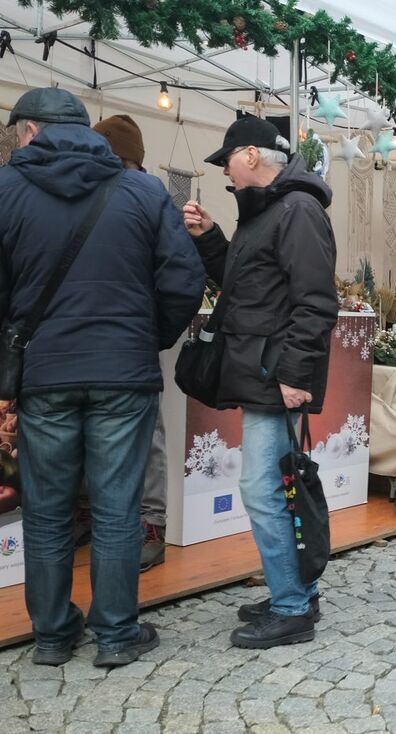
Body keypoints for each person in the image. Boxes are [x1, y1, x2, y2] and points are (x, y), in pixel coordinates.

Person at [0, 88, 204, 667]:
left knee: (46, 509)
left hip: (45, 374)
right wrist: (147, 337)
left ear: (30, 131)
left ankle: (52, 634)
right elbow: (184, 280)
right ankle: (115, 634)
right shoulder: (142, 190)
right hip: (124, 373)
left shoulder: (7, 189)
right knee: (118, 508)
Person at [181, 116, 338, 649]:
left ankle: (292, 606)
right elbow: (247, 286)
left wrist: (295, 375)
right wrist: (210, 241)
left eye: (226, 158)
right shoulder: (271, 211)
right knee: (276, 489)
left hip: (275, 377)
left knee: (263, 489)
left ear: (251, 155)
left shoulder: (296, 210)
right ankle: (295, 591)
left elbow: (316, 302)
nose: (224, 170)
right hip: (264, 373)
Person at [93, 114, 176, 572]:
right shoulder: (85, 189)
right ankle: (128, 523)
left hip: (128, 340)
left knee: (146, 438)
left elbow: (177, 276)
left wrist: (155, 330)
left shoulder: (149, 197)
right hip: (112, 339)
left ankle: (150, 526)